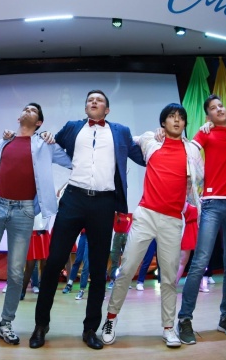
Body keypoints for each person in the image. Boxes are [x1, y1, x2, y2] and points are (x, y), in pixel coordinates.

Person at [31, 89, 145, 350]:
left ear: (107, 110)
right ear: (85, 108)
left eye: (99, 100)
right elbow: (50, 143)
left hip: (104, 203)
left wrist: (158, 140)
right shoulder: (73, 127)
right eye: (90, 100)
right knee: (54, 261)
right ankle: (41, 325)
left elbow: (141, 156)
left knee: (98, 267)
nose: (94, 102)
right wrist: (44, 135)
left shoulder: (120, 131)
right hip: (73, 198)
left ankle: (90, 328)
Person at [0, 103, 71, 345]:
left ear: (39, 122)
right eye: (25, 108)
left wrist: (54, 138)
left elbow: (73, 161)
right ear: (19, 117)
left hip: (24, 210)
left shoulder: (45, 144)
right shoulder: (4, 141)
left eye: (33, 110)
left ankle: (6, 323)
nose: (28, 110)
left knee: (16, 273)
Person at [101, 103, 203, 348]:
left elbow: (200, 177)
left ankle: (168, 327)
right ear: (163, 122)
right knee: (127, 269)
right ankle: (110, 319)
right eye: (171, 117)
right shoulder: (151, 141)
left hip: (172, 220)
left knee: (168, 278)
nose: (176, 121)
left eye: (180, 117)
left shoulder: (191, 149)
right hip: (146, 215)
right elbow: (130, 140)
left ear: (185, 123)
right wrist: (153, 134)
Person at [177, 95, 226, 344]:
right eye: (213, 108)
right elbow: (188, 151)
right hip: (212, 204)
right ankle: (184, 319)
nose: (219, 109)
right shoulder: (206, 133)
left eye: (221, 105)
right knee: (199, 263)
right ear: (208, 115)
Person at [21, 213, 51, 300]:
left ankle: (43, 291)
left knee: (45, 265)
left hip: (44, 234)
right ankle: (22, 291)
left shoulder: (49, 205)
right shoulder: (31, 204)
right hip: (33, 234)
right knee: (30, 266)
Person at [107, 212, 132, 289]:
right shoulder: (115, 215)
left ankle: (126, 281)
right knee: (115, 258)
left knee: (127, 259)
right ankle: (113, 280)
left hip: (126, 236)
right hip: (117, 236)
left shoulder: (129, 215)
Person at [62, 230, 90, 300]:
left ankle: (82, 289)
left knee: (86, 263)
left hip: (92, 235)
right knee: (78, 260)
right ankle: (69, 284)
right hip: (84, 234)